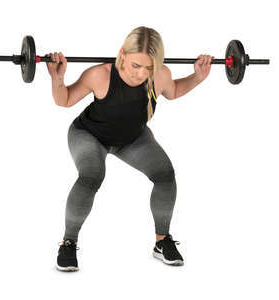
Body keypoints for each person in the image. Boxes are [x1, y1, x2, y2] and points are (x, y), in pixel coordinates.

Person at [46, 26, 214, 272]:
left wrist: (198, 77)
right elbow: (64, 100)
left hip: (132, 138)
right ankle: (68, 242)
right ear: (122, 54)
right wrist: (57, 79)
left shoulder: (160, 76)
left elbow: (174, 91)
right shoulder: (100, 75)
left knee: (165, 175)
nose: (141, 74)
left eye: (149, 67)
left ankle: (161, 241)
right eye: (136, 66)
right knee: (91, 176)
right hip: (90, 135)